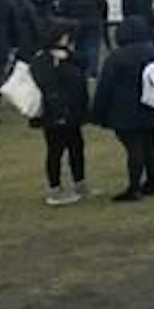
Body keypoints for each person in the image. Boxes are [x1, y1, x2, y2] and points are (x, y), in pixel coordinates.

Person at [92, 15, 154, 202]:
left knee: (134, 147)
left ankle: (134, 187)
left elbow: (105, 86)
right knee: (150, 143)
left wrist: (97, 112)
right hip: (152, 105)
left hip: (125, 109)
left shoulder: (117, 57)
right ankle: (151, 182)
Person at [30, 20, 92, 205]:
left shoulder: (68, 56)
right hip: (55, 112)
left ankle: (79, 182)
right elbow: (47, 85)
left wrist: (68, 55)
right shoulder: (43, 59)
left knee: (77, 147)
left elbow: (84, 62)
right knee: (55, 150)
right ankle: (55, 188)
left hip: (73, 111)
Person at [59, 0, 109, 75]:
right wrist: (102, 18)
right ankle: (91, 70)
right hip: (93, 22)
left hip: (75, 23)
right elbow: (103, 5)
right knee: (92, 47)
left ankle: (80, 68)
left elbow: (63, 8)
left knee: (78, 46)